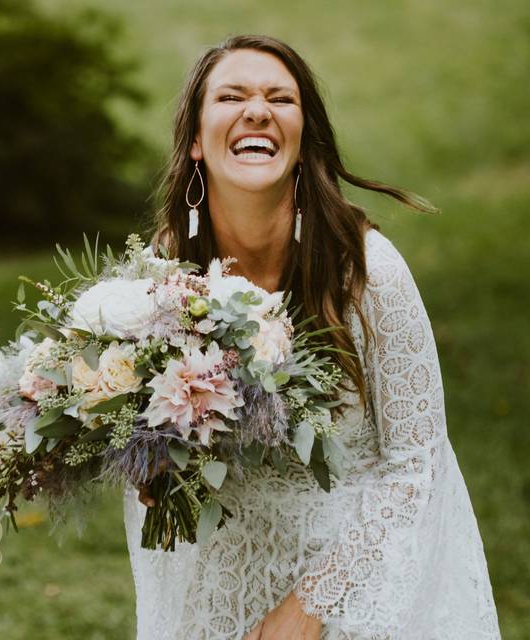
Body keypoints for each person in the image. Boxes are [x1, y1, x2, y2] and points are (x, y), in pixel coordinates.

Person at [123, 34, 501, 640]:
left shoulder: (367, 272)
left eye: (280, 98)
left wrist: (310, 608)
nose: (257, 110)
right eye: (231, 96)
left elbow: (416, 466)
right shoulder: (163, 277)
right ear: (196, 139)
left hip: (363, 580)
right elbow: (149, 449)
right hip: (221, 583)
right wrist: (151, 466)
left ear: (302, 140)